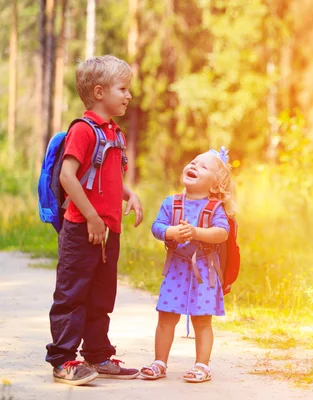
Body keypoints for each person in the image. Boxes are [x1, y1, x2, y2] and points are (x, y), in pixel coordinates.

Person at [45, 55, 144, 386]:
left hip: (106, 231)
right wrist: (90, 217)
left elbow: (107, 179)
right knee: (73, 295)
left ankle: (98, 354)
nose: (129, 95)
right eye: (123, 89)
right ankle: (63, 361)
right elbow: (68, 177)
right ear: (99, 92)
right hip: (81, 228)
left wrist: (130, 196)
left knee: (102, 296)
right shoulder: (84, 131)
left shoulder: (114, 133)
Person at [139, 147, 237, 383]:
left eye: (203, 166)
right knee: (166, 317)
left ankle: (202, 365)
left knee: (202, 320)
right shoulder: (171, 203)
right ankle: (159, 362)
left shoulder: (214, 208)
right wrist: (172, 232)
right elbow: (157, 227)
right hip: (177, 270)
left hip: (204, 271)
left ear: (214, 186)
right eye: (193, 162)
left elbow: (222, 232)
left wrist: (195, 232)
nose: (194, 166)